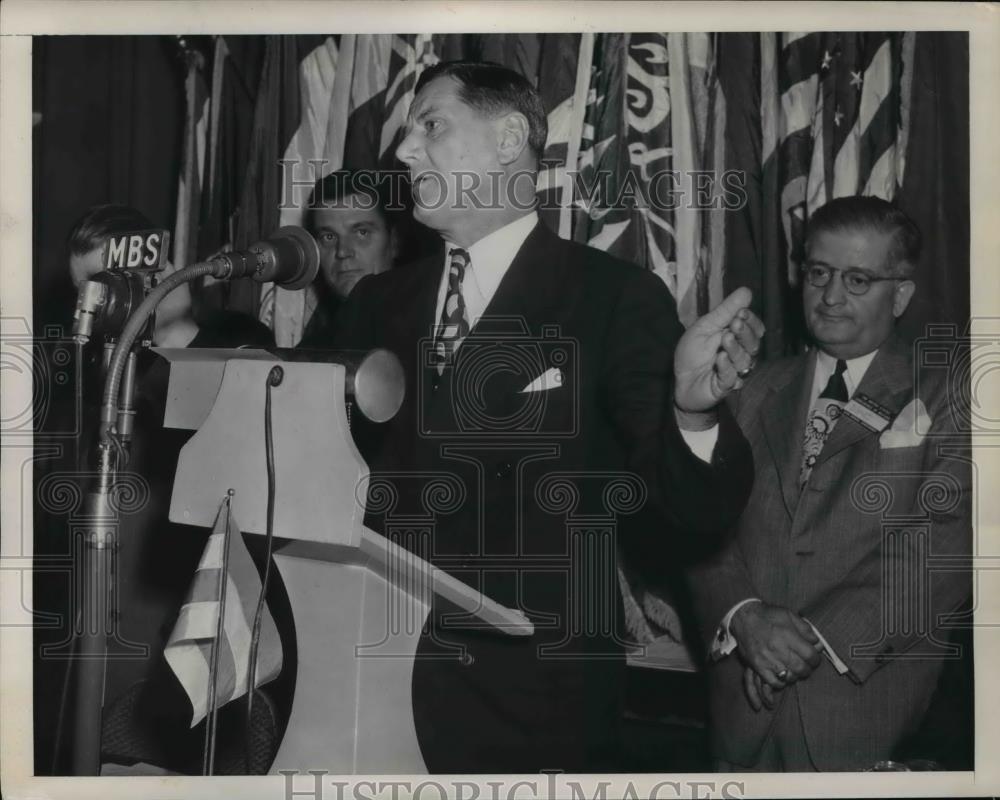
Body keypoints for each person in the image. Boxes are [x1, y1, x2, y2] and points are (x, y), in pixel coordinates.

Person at [334, 60, 762, 773]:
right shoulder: (375, 306)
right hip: (367, 684)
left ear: (508, 141)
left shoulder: (611, 297)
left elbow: (693, 511)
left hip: (533, 706)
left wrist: (692, 411)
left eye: (430, 126)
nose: (404, 151)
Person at [687, 196, 972, 771]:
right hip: (740, 719)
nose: (831, 296)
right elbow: (696, 522)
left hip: (867, 718)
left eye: (858, 279)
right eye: (819, 273)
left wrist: (807, 639)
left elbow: (946, 544)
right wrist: (744, 615)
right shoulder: (746, 387)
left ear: (901, 294)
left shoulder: (951, 395)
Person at [297, 170, 402, 348]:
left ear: (394, 242)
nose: (343, 252)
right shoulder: (311, 352)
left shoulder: (433, 331)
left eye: (362, 232)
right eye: (329, 237)